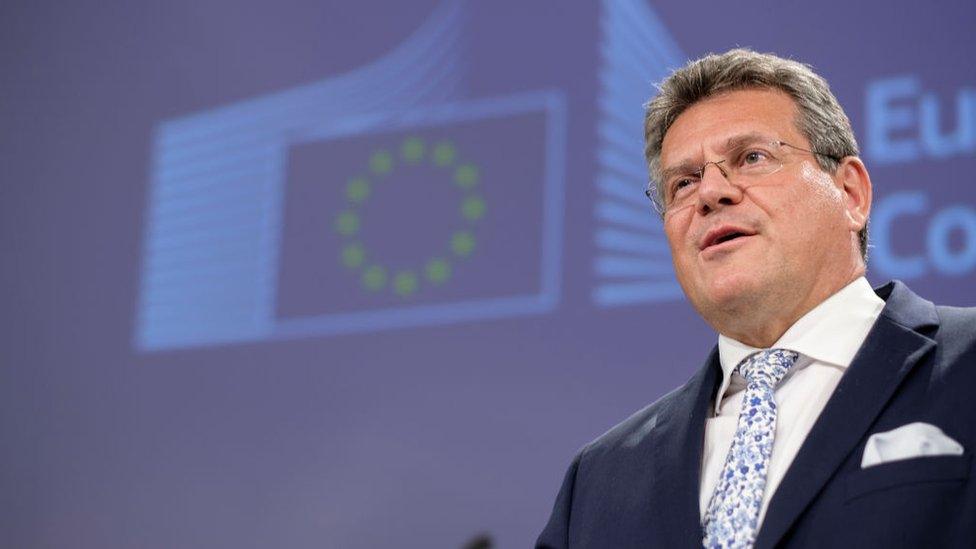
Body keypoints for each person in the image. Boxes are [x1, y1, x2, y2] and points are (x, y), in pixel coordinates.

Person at [537, 49, 976, 548]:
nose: (711, 192)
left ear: (850, 193)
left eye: (751, 158)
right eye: (684, 182)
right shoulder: (597, 482)